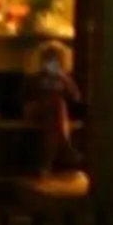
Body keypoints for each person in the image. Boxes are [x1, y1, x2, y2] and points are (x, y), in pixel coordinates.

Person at [23, 42, 82, 177]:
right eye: (48, 59)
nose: (51, 63)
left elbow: (76, 98)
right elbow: (25, 96)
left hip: (54, 117)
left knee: (54, 116)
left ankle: (45, 166)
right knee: (56, 105)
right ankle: (66, 147)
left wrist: (66, 81)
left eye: (55, 60)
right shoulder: (35, 77)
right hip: (35, 110)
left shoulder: (64, 79)